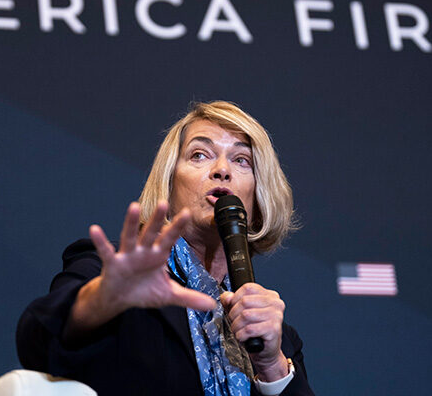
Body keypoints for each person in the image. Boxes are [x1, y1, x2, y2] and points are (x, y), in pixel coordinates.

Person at [17, 101, 315, 395]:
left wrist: (272, 366)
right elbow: (37, 342)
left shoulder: (279, 339)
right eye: (200, 155)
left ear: (258, 196)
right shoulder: (116, 274)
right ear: (168, 184)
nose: (222, 170)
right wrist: (104, 298)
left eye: (241, 160)